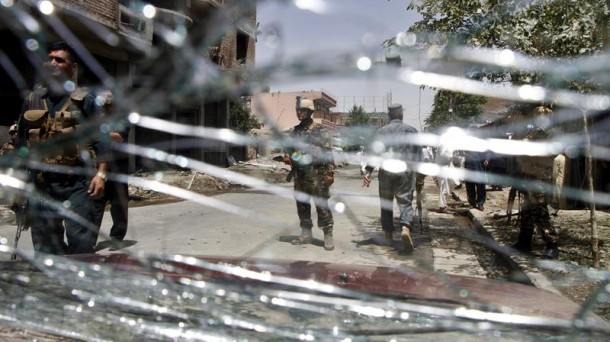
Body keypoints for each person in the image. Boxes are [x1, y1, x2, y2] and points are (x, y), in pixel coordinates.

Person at [16, 41, 108, 255]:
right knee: (46, 245)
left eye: (59, 59)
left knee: (80, 243)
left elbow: (101, 140)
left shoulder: (85, 100)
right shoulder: (33, 100)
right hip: (41, 183)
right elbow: (21, 141)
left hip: (77, 183)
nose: (52, 63)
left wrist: (101, 174)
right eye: (49, 58)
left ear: (72, 68)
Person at [362, 104, 421, 253]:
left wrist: (368, 171)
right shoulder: (412, 131)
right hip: (405, 173)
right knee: (405, 203)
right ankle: (405, 228)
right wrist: (420, 176)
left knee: (386, 203)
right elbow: (419, 156)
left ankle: (388, 235)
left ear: (389, 116)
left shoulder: (380, 132)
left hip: (386, 172)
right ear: (401, 114)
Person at [284, 98, 336, 250]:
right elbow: (291, 151)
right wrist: (289, 157)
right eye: (298, 110)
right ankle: (306, 233)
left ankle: (328, 235)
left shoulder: (320, 130)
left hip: (317, 174)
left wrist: (330, 173)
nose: (299, 112)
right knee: (302, 205)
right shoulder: (295, 131)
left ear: (310, 112)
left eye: (303, 110)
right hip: (300, 175)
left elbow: (328, 153)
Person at [513, 127, 559, 259]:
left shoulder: (547, 133)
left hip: (540, 181)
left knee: (540, 213)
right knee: (526, 212)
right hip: (529, 179)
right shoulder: (534, 132)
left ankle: (552, 244)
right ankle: (524, 242)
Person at [93, 91, 131, 248]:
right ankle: (89, 240)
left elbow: (120, 136)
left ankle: (117, 237)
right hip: (99, 165)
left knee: (118, 205)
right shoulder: (95, 116)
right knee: (95, 203)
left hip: (118, 166)